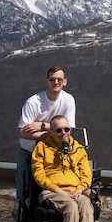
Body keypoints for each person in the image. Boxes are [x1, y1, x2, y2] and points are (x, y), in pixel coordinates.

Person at [31, 114, 99, 222]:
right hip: (52, 191)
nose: (64, 133)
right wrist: (60, 191)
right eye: (59, 130)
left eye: (67, 130)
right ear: (52, 132)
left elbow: (85, 174)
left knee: (85, 204)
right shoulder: (42, 148)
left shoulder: (78, 149)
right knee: (70, 207)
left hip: (75, 190)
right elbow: (39, 175)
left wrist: (80, 189)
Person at [16, 66, 76, 203]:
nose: (56, 82)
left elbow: (69, 129)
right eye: (52, 79)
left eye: (59, 79)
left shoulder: (68, 100)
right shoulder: (33, 103)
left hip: (53, 153)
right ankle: (21, 216)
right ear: (46, 81)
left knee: (50, 188)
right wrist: (53, 134)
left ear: (65, 81)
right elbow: (22, 133)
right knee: (25, 191)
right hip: (29, 152)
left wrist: (42, 126)